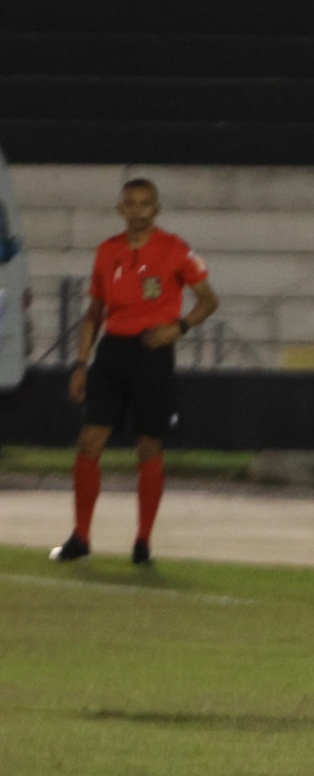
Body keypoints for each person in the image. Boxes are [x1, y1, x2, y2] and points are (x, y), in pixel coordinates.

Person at [50, 178, 219, 566]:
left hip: (151, 355)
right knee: (90, 441)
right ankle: (81, 536)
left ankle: (143, 541)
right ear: (120, 209)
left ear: (155, 210)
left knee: (149, 446)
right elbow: (94, 311)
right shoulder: (107, 251)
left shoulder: (175, 249)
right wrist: (80, 363)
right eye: (131, 203)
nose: (138, 210)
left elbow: (209, 299)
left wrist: (179, 327)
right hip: (112, 353)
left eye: (145, 204)